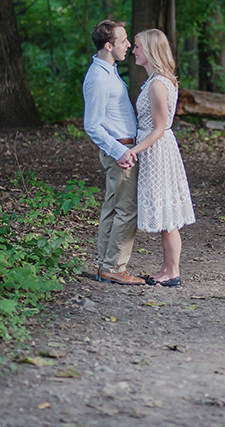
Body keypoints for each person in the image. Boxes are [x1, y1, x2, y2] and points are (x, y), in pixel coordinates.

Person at [122, 29, 195, 287]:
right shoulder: (158, 79)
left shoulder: (157, 84)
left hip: (157, 151)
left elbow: (159, 128)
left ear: (151, 50)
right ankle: (167, 268)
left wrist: (134, 150)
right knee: (166, 216)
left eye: (138, 47)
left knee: (167, 216)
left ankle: (172, 272)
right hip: (157, 148)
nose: (134, 51)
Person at [82, 19, 145, 285]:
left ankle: (106, 265)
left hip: (122, 147)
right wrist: (121, 151)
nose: (129, 45)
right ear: (109, 46)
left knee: (112, 208)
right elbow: (92, 125)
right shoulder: (98, 78)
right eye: (123, 41)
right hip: (119, 149)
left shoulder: (108, 71)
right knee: (126, 210)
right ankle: (115, 267)